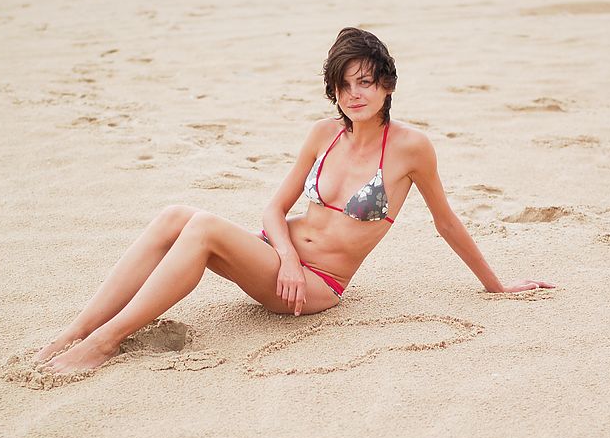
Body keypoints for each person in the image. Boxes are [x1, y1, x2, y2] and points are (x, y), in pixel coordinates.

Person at [35, 27, 554, 374]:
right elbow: (273, 210)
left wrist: (497, 285)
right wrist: (282, 253)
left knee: (204, 227)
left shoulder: (411, 149)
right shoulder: (323, 134)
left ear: (387, 85)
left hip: (315, 285)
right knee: (176, 216)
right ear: (333, 91)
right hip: (278, 260)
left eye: (367, 82)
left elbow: (447, 223)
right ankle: (79, 329)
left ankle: (105, 343)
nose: (356, 94)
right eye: (345, 85)